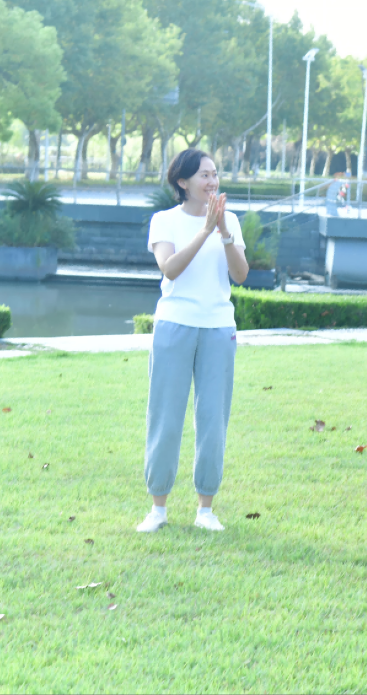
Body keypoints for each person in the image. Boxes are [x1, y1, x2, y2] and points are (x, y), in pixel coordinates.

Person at [136, 149, 248, 533]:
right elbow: (170, 268)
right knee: (165, 417)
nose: (212, 181)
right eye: (204, 175)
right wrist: (205, 231)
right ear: (183, 182)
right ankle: (158, 508)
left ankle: (206, 509)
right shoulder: (164, 221)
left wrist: (224, 232)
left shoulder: (230, 220)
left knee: (213, 418)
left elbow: (240, 274)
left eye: (215, 174)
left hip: (218, 328)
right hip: (174, 325)